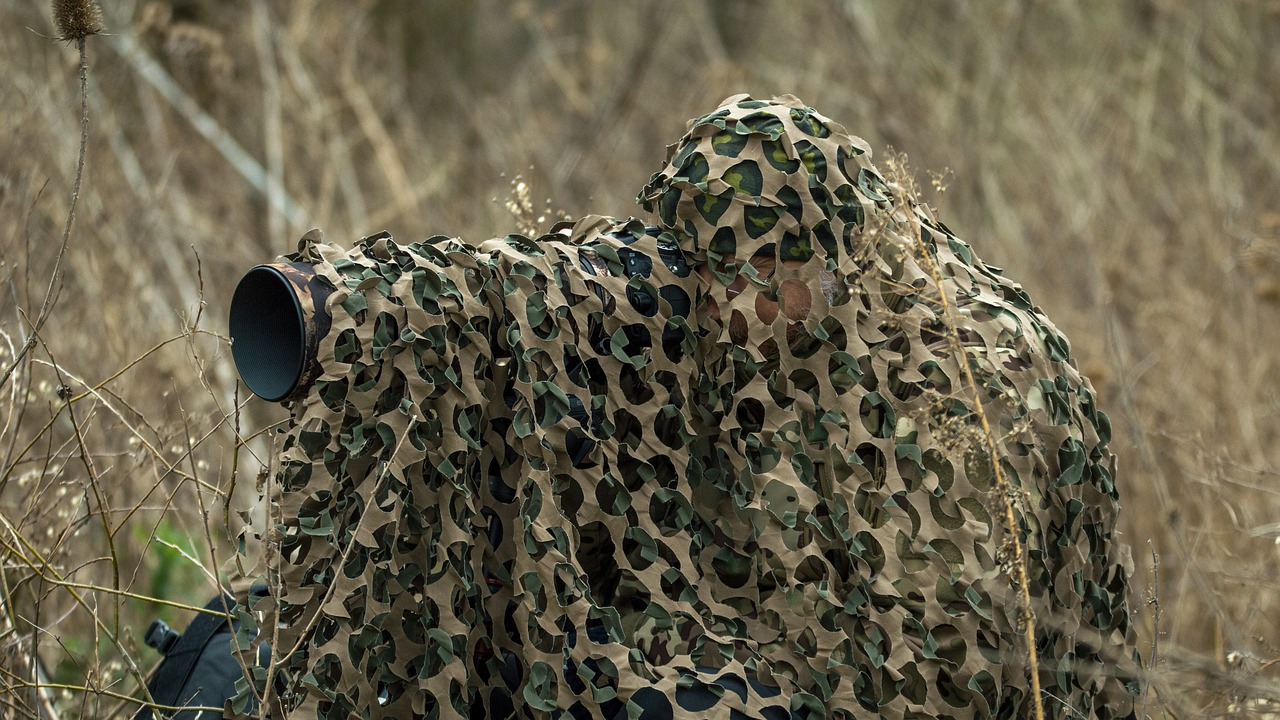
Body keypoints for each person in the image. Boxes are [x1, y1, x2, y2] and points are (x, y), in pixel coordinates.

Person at [226, 95, 1141, 719]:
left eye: (760, 279)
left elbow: (947, 678)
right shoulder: (772, 320)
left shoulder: (960, 385)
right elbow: (563, 303)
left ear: (833, 262)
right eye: (708, 273)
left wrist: (725, 662)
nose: (726, 313)